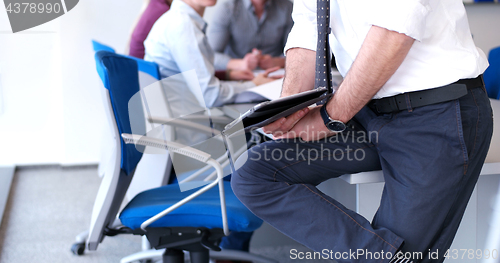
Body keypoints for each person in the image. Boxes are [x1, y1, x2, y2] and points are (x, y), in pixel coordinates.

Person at [231, 0, 494, 262]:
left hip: (433, 113)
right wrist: (289, 107)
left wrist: (328, 117)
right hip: (365, 111)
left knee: (401, 247)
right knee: (256, 175)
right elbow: (308, 26)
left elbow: (396, 28)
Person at [143, 0, 278, 255]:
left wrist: (228, 77)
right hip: (193, 146)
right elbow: (209, 94)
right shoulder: (183, 26)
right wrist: (253, 86)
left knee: (257, 144)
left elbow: (196, 79)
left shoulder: (182, 21)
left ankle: (231, 252)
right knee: (259, 165)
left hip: (185, 135)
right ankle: (231, 255)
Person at [206, 0, 293, 71]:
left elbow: (294, 51)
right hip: (237, 75)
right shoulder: (227, 9)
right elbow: (210, 54)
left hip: (276, 72)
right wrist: (240, 64)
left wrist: (277, 62)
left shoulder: (287, 8)